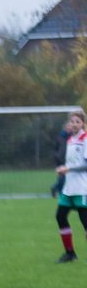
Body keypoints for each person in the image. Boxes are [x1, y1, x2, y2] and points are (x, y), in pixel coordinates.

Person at [54, 109, 87, 263]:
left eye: (77, 122)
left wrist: (69, 169)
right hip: (69, 188)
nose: (74, 124)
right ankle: (70, 253)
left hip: (82, 188)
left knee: (85, 222)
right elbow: (71, 163)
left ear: (83, 124)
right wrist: (63, 170)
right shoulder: (70, 140)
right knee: (60, 216)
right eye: (72, 121)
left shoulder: (85, 139)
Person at [51, 120, 71, 199]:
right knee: (61, 179)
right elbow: (55, 148)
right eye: (68, 126)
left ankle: (54, 188)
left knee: (67, 179)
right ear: (65, 127)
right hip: (60, 161)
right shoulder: (60, 136)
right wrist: (57, 157)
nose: (70, 127)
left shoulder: (73, 137)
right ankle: (60, 194)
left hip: (69, 161)